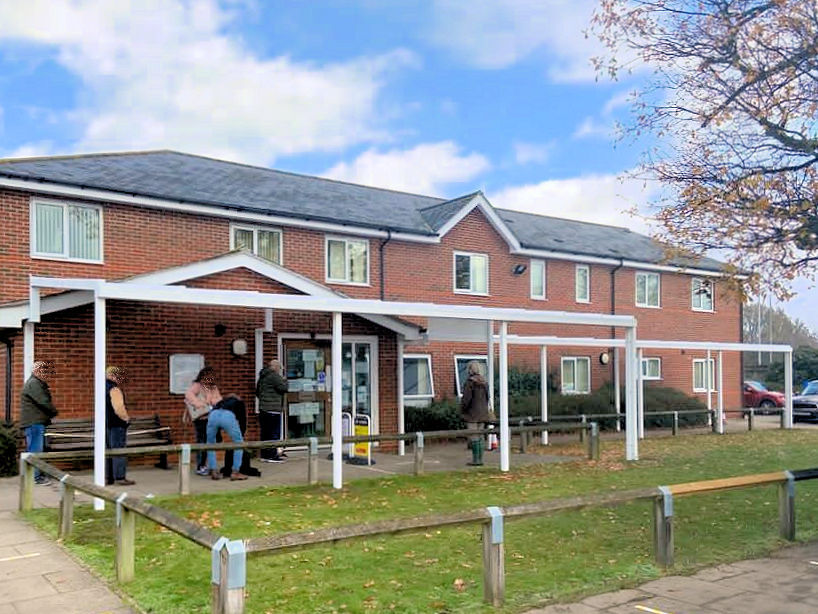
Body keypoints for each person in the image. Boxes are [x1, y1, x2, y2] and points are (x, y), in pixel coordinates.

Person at [20, 360, 58, 484]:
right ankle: (36, 478)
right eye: (43, 371)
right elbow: (43, 401)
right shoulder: (34, 384)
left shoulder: (36, 383)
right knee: (36, 451)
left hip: (34, 422)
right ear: (36, 371)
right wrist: (54, 412)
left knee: (34, 450)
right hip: (34, 423)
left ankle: (32, 476)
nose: (45, 374)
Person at [185, 367, 222, 476]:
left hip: (211, 418)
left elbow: (219, 399)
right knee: (202, 442)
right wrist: (200, 404)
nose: (209, 379)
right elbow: (189, 395)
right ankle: (200, 466)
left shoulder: (213, 388)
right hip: (201, 419)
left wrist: (213, 403)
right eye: (207, 377)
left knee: (211, 442)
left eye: (211, 377)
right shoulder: (197, 386)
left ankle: (210, 465)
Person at [206, 397, 248, 481]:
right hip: (228, 416)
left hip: (213, 414)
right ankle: (235, 472)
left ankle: (213, 471)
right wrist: (241, 435)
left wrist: (219, 437)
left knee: (210, 444)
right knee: (239, 444)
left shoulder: (221, 401)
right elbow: (243, 420)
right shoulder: (239, 402)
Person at [106, 366, 135, 486]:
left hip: (106, 424)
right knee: (119, 450)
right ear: (113, 376)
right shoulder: (114, 389)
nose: (120, 378)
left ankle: (109, 477)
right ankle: (120, 477)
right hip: (117, 424)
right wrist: (126, 418)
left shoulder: (101, 388)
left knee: (108, 451)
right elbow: (118, 408)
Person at [256, 359, 289, 463]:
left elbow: (257, 392)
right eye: (279, 368)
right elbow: (284, 388)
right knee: (273, 434)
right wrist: (284, 380)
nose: (280, 371)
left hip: (263, 409)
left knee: (265, 434)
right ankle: (272, 456)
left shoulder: (262, 377)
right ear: (275, 367)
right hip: (273, 410)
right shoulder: (274, 376)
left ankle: (264, 455)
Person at [460, 361, 492, 466]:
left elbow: (466, 400)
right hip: (483, 413)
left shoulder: (470, 383)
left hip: (472, 414)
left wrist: (462, 410)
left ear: (470, 370)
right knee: (480, 436)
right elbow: (488, 397)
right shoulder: (485, 383)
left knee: (473, 436)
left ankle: (475, 460)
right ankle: (480, 459)